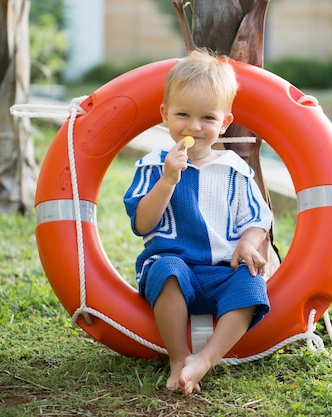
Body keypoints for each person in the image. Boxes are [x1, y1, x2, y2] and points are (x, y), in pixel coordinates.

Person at [123, 49, 272, 395]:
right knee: (168, 269)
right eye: (183, 115)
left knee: (251, 286)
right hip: (174, 268)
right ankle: (179, 358)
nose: (193, 126)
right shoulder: (152, 166)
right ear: (164, 116)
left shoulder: (235, 170)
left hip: (221, 270)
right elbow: (142, 224)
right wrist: (167, 181)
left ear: (224, 122)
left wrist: (248, 243)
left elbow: (255, 217)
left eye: (207, 117)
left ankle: (205, 359)